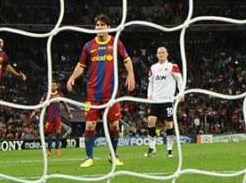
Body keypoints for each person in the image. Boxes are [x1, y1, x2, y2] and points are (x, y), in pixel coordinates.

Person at [67, 14, 136, 168]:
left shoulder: (116, 42)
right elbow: (81, 65)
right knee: (90, 125)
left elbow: (127, 59)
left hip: (111, 93)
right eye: (97, 25)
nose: (99, 27)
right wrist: (72, 77)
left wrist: (131, 74)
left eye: (102, 25)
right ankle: (89, 157)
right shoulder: (89, 46)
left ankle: (113, 155)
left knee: (114, 126)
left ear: (108, 27)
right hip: (93, 92)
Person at [145, 46, 183, 157]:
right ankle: (152, 148)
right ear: (157, 55)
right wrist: (149, 95)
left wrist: (181, 93)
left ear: (167, 54)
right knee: (150, 121)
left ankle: (169, 149)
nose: (161, 54)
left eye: (163, 52)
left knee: (168, 125)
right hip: (155, 100)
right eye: (159, 53)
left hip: (167, 100)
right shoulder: (153, 68)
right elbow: (150, 82)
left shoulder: (172, 66)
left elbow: (179, 80)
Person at [28, 82, 72, 157]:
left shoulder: (60, 95)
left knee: (58, 133)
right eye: (52, 85)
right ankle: (49, 150)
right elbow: (40, 104)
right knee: (50, 134)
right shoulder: (46, 95)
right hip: (49, 118)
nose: (53, 86)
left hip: (57, 117)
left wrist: (69, 113)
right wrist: (34, 112)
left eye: (54, 85)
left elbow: (65, 104)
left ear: (57, 86)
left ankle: (57, 149)